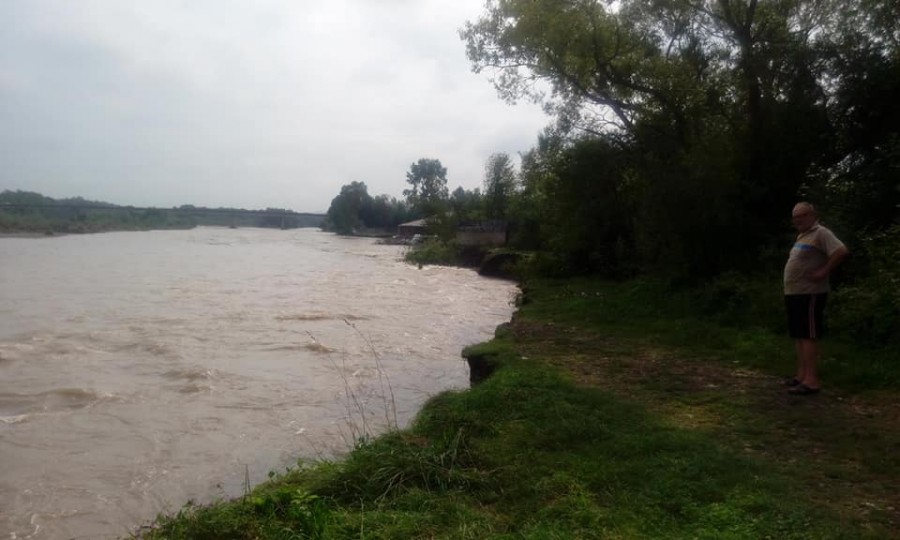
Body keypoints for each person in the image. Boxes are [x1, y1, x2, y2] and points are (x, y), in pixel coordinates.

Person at [782, 202, 849, 395]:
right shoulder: (803, 236)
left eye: (802, 215)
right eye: (795, 217)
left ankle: (812, 381)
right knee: (799, 335)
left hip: (810, 293)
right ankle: (801, 376)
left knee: (809, 335)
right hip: (795, 293)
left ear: (812, 215)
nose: (798, 220)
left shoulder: (821, 233)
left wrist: (823, 271)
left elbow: (841, 251)